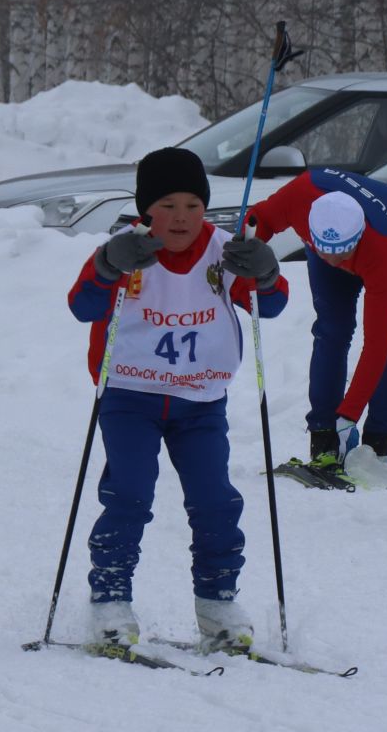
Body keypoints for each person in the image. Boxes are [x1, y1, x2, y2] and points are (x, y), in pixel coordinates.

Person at [65, 146, 288, 653]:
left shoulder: (225, 250)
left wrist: (266, 273)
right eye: (168, 204)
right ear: (146, 209)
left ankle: (218, 603)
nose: (182, 217)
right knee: (130, 495)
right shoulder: (127, 249)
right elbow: (82, 305)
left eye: (193, 204)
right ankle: (110, 602)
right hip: (130, 395)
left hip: (200, 400)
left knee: (215, 502)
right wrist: (106, 266)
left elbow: (270, 306)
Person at [242, 168, 387, 468]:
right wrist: (248, 247)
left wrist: (350, 415)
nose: (334, 260)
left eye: (342, 252)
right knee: (332, 329)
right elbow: (258, 219)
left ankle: (380, 438)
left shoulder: (382, 247)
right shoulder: (298, 197)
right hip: (339, 238)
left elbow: (376, 345)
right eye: (326, 250)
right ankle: (323, 433)